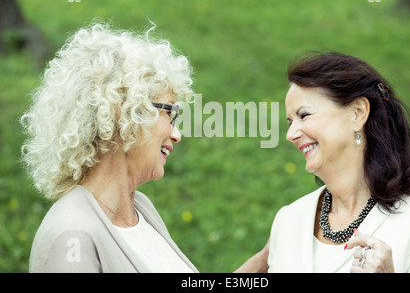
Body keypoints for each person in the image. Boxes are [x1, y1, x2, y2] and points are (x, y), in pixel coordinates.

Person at [22, 23, 268, 273]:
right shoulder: (70, 234)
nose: (176, 134)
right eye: (169, 113)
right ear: (123, 112)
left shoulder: (140, 208)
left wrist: (263, 262)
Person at [268, 52, 410, 273]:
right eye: (290, 121)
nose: (291, 134)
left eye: (304, 115)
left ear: (358, 113)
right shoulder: (288, 220)